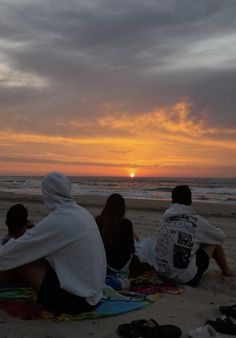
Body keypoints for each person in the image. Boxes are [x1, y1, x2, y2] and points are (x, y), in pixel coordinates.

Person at [0, 172, 107, 314]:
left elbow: (16, 250)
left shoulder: (59, 219)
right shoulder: (82, 213)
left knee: (21, 260)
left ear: (47, 194)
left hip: (77, 302)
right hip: (94, 295)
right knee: (32, 254)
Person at [154, 185, 234, 286]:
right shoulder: (196, 221)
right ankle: (226, 271)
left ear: (172, 201)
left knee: (190, 240)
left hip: (160, 273)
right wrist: (204, 223)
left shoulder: (165, 218)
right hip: (184, 279)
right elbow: (220, 237)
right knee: (213, 242)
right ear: (190, 201)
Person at [95, 193, 153, 278]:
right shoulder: (126, 223)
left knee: (142, 243)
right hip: (124, 264)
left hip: (105, 262)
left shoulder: (98, 221)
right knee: (148, 242)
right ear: (122, 208)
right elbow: (131, 249)